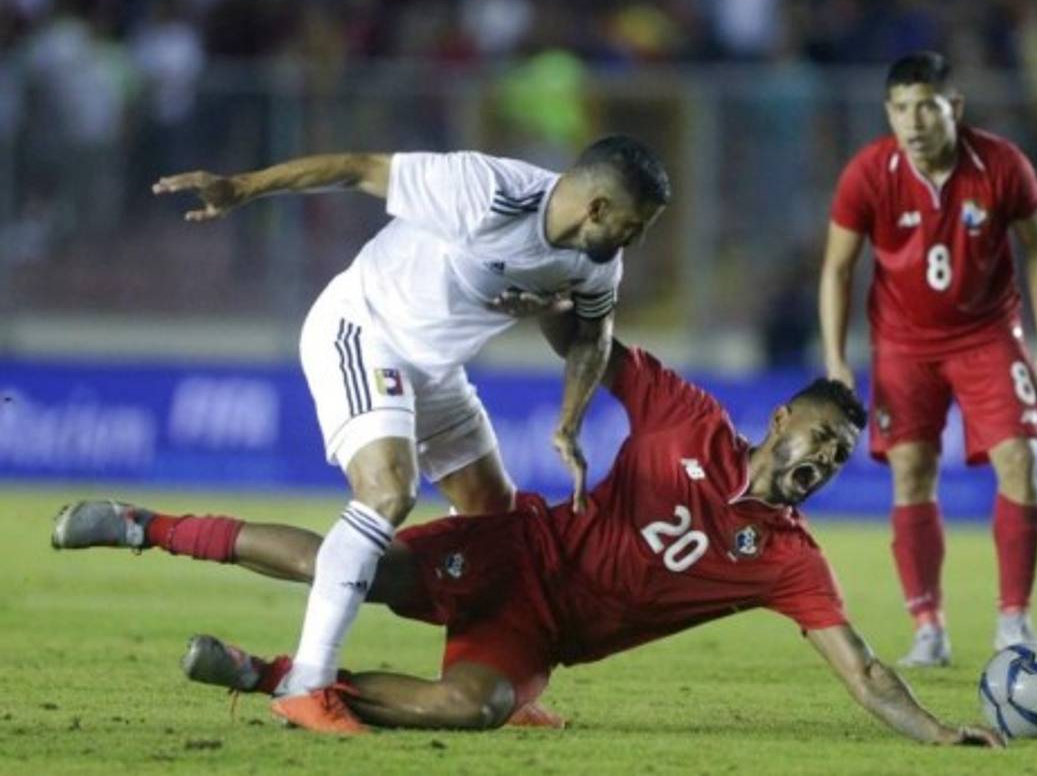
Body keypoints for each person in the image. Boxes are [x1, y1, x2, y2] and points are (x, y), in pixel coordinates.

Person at [52, 330, 1003, 748]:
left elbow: (860, 668)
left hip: (541, 636)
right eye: (821, 439)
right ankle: (146, 526)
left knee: (476, 707)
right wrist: (557, 301)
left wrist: (935, 731)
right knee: (353, 568)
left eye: (838, 457)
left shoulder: (789, 560)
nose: (825, 460)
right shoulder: (686, 418)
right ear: (782, 418)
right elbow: (591, 340)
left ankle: (270, 677)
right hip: (515, 553)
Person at [149, 135, 669, 730]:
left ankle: (486, 672)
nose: (636, 239)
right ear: (597, 207)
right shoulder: (485, 191)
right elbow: (356, 167)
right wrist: (242, 188)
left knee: (492, 518)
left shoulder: (596, 260)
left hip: (434, 370)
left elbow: (591, 335)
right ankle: (306, 684)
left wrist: (569, 422)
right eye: (634, 225)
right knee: (388, 492)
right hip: (363, 329)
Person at [818, 51, 1037, 666]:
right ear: (889, 113)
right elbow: (837, 269)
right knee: (911, 473)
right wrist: (836, 359)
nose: (914, 121)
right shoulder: (868, 173)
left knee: (1021, 460)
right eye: (901, 109)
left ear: (954, 107)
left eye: (926, 107)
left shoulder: (1002, 165)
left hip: (987, 334)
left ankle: (1014, 620)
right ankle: (928, 628)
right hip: (903, 344)